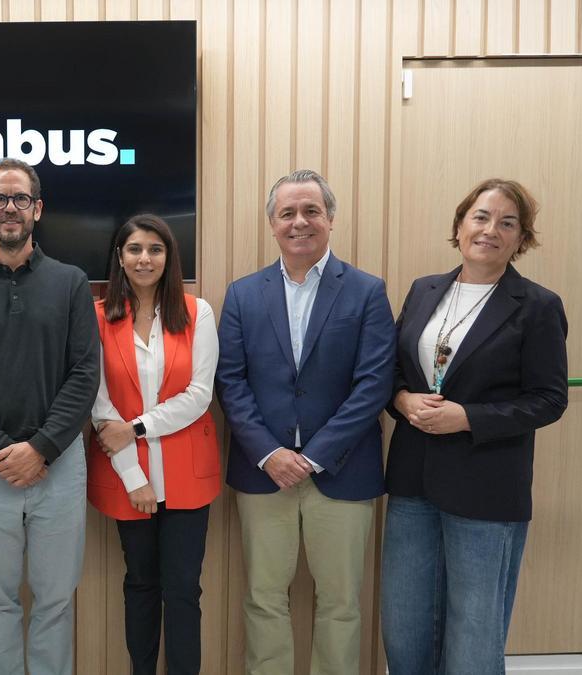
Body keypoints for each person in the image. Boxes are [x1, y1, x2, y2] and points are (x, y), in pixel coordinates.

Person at [380, 179, 568, 675]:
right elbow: (395, 372)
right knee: (404, 625)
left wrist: (467, 417)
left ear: (521, 238)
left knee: (473, 632)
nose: (491, 230)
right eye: (481, 217)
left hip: (487, 486)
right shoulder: (424, 291)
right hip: (412, 480)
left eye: (508, 223)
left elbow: (549, 400)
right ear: (460, 225)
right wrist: (402, 398)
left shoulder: (538, 306)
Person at [215, 169, 395, 675]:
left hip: (342, 472)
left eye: (311, 211)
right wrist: (271, 454)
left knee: (340, 602)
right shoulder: (243, 294)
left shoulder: (365, 291)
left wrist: (313, 455)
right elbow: (231, 382)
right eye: (287, 213)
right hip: (262, 472)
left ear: (330, 219)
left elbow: (374, 385)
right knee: (263, 596)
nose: (300, 222)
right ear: (272, 224)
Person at [0, 157, 100, 675]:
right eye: (1, 200)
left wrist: (42, 447)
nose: (11, 209)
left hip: (60, 465)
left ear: (38, 209)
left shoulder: (72, 282)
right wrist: (1, 451)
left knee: (55, 601)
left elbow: (84, 373)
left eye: (21, 199)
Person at [88, 214, 221, 675]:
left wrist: (139, 426)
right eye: (135, 250)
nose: (145, 259)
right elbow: (101, 407)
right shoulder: (99, 317)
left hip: (188, 475)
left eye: (155, 250)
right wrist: (134, 477)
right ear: (120, 258)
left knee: (184, 589)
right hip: (127, 478)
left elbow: (199, 396)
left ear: (169, 257)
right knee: (141, 584)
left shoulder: (195, 311)